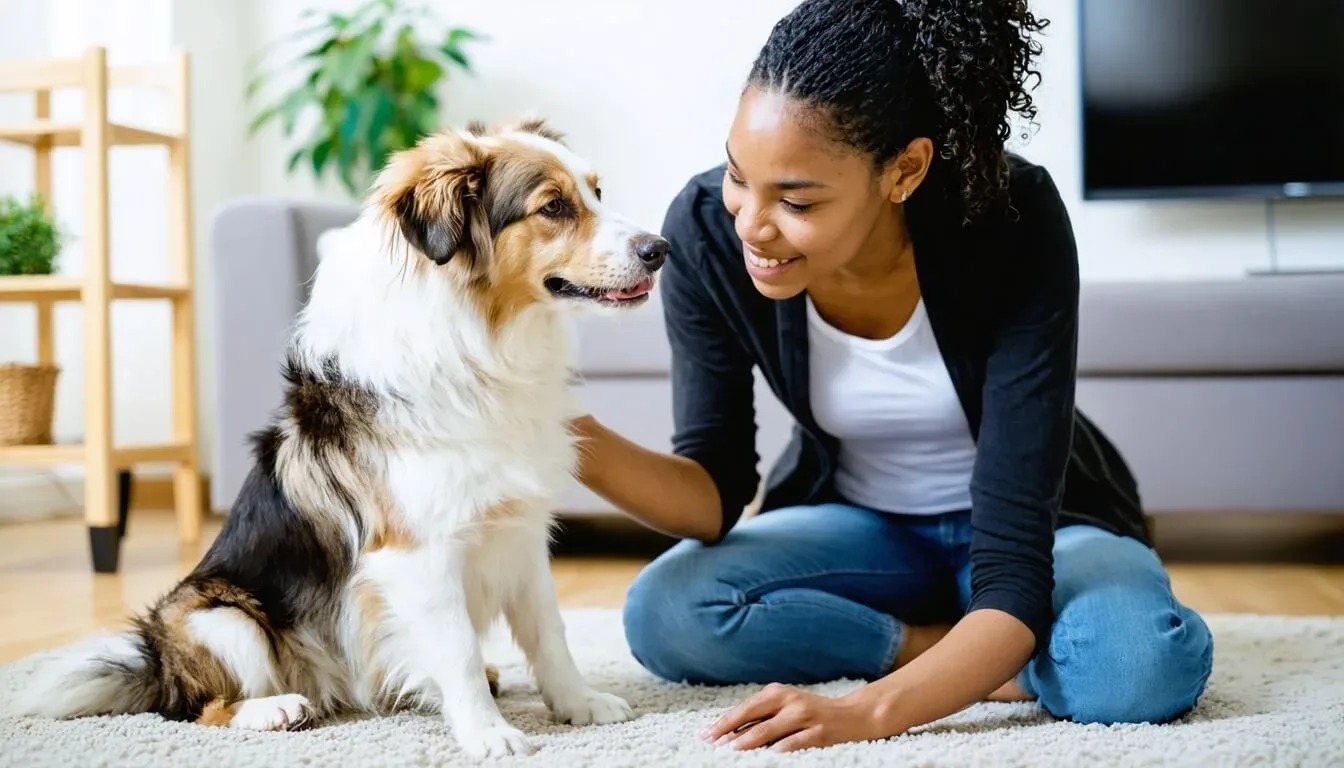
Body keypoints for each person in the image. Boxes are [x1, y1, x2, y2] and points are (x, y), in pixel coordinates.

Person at [570, 0, 1214, 753]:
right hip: (865, 532)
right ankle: (957, 652)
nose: (751, 222)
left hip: (1044, 531)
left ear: (903, 169)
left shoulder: (1011, 220)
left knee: (1136, 669)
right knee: (668, 609)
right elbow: (712, 495)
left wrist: (871, 711)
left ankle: (996, 646)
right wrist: (555, 427)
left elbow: (1010, 569)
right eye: (742, 177)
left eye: (797, 199)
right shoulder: (709, 227)